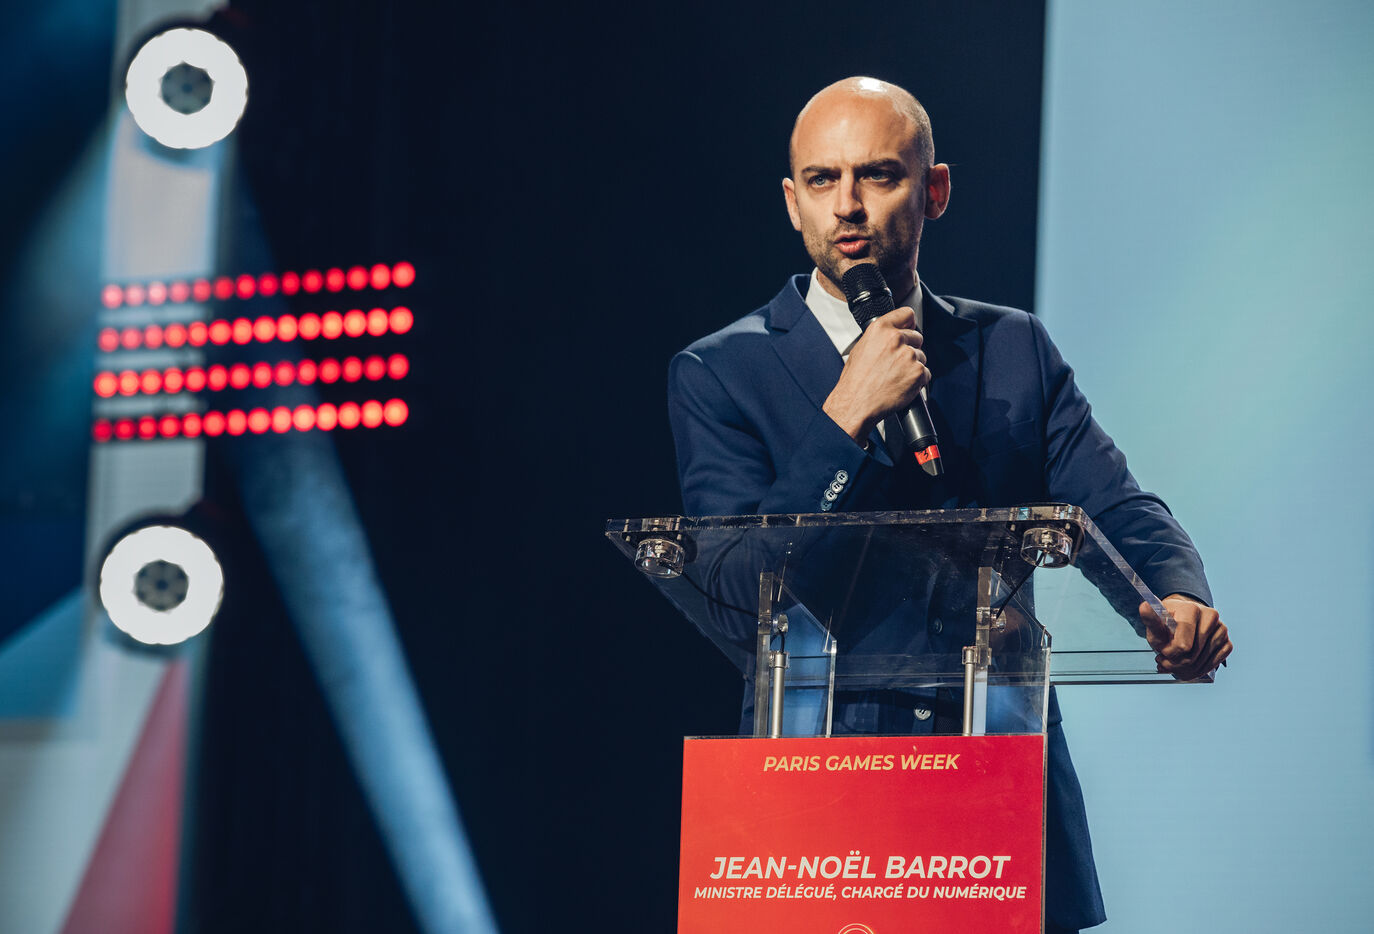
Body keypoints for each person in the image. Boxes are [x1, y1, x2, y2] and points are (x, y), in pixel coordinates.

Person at [666, 76, 1233, 933]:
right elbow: (738, 594)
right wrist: (843, 420)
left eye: (878, 175)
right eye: (822, 180)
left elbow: (1112, 503)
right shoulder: (720, 372)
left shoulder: (1011, 347)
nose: (847, 205)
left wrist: (1176, 591)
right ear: (791, 202)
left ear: (934, 190)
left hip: (997, 799)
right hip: (820, 809)